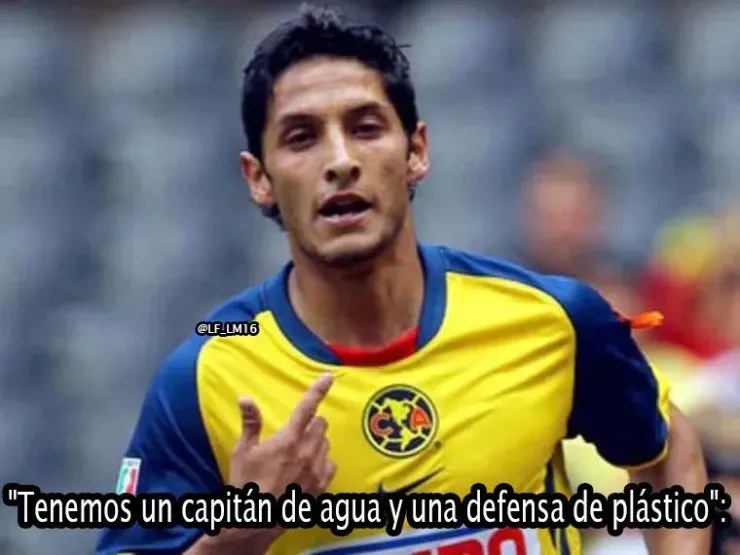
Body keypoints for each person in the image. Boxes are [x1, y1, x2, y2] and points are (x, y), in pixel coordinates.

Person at [96, 5, 709, 555]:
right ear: (259, 179)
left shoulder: (554, 319)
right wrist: (241, 535)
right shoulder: (204, 379)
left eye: (365, 128)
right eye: (302, 138)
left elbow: (669, 456)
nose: (340, 161)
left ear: (416, 150)